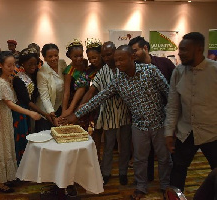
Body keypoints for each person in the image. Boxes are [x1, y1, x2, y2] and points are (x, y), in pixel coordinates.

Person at [61, 45, 172, 199]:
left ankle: (165, 186)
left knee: (164, 157)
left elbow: (169, 94)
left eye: (121, 60)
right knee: (139, 159)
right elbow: (99, 98)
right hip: (139, 125)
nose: (118, 63)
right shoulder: (119, 80)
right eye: (116, 60)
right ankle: (141, 187)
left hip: (159, 123)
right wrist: (77, 114)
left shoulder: (150, 71)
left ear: (132, 57)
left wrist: (172, 123)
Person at [164, 32, 217, 192]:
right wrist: (168, 132)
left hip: (212, 132)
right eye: (180, 49)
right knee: (178, 169)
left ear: (199, 49)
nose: (180, 53)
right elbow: (173, 105)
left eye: (185, 50)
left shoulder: (214, 71)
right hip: (186, 131)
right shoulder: (178, 72)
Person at [79, 41, 132, 185]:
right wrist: (80, 108)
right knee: (108, 146)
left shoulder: (125, 68)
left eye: (109, 54)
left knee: (125, 146)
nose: (107, 58)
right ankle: (106, 173)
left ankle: (123, 172)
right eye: (104, 55)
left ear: (115, 52)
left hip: (126, 114)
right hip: (109, 115)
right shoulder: (103, 71)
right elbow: (91, 90)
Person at [0, 51, 40, 193]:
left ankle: (5, 178)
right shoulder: (0, 82)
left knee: (8, 148)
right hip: (2, 119)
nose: (12, 68)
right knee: (2, 150)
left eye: (14, 65)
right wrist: (30, 112)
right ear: (0, 65)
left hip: (7, 118)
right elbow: (10, 104)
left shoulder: (8, 80)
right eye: (9, 65)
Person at [129, 36, 176, 182]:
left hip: (164, 117)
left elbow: (174, 87)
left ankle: (166, 184)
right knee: (143, 156)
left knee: (164, 155)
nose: (133, 54)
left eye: (135, 50)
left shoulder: (164, 63)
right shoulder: (134, 69)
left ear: (145, 48)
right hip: (142, 121)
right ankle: (145, 181)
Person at [12, 47, 45, 165]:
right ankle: (22, 168)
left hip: (32, 111)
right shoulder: (18, 79)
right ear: (22, 63)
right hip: (22, 112)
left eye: (35, 64)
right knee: (23, 139)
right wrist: (43, 113)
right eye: (30, 64)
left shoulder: (35, 75)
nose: (33, 66)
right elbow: (26, 100)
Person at [36, 43, 67, 132]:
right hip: (46, 110)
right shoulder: (41, 73)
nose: (54, 58)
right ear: (45, 58)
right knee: (47, 135)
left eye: (55, 55)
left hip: (59, 107)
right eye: (50, 56)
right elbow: (45, 97)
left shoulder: (62, 63)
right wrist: (51, 114)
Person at [61, 39, 88, 119]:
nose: (78, 59)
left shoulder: (84, 63)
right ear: (70, 56)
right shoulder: (69, 71)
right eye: (75, 56)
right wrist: (65, 111)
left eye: (80, 55)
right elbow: (66, 93)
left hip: (85, 101)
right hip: (73, 104)